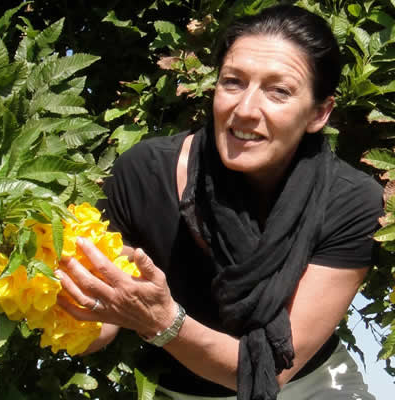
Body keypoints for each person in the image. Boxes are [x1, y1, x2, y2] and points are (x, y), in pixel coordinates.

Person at [53, 5, 383, 400]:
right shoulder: (143, 175)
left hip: (311, 386)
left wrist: (163, 322)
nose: (245, 110)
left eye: (278, 91)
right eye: (233, 82)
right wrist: (36, 271)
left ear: (319, 113)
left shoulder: (349, 200)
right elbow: (100, 328)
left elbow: (272, 371)